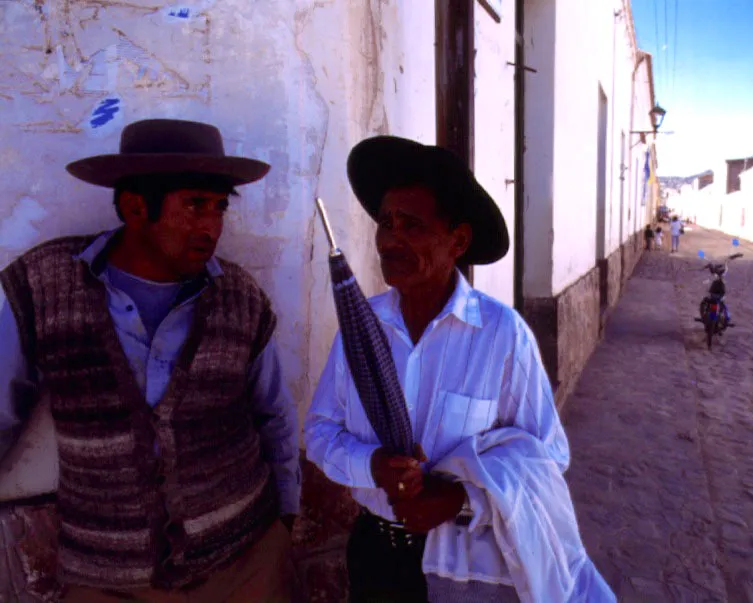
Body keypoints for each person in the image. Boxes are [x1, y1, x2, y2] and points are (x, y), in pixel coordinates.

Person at [0, 119, 300, 602]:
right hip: (106, 575)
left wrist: (285, 522)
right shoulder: (46, 286)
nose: (212, 226)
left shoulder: (240, 299)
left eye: (220, 207)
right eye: (195, 205)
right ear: (135, 207)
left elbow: (275, 418)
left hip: (244, 563)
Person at [305, 136, 614, 603]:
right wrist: (373, 467)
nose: (390, 239)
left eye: (411, 225)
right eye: (385, 222)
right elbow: (320, 431)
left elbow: (547, 457)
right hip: (375, 555)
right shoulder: (361, 328)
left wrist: (459, 499)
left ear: (458, 241)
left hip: (464, 565)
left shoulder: (502, 336)